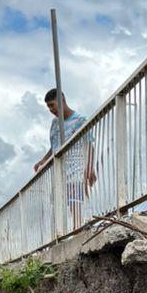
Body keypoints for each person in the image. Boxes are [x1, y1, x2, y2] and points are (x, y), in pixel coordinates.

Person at [34, 87, 98, 229]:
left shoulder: (80, 120)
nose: (51, 110)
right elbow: (55, 145)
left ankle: (78, 229)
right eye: (48, 107)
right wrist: (43, 160)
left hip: (75, 166)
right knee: (60, 202)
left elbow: (89, 144)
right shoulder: (55, 123)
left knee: (75, 200)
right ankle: (62, 233)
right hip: (58, 169)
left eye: (52, 105)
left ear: (62, 101)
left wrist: (89, 168)